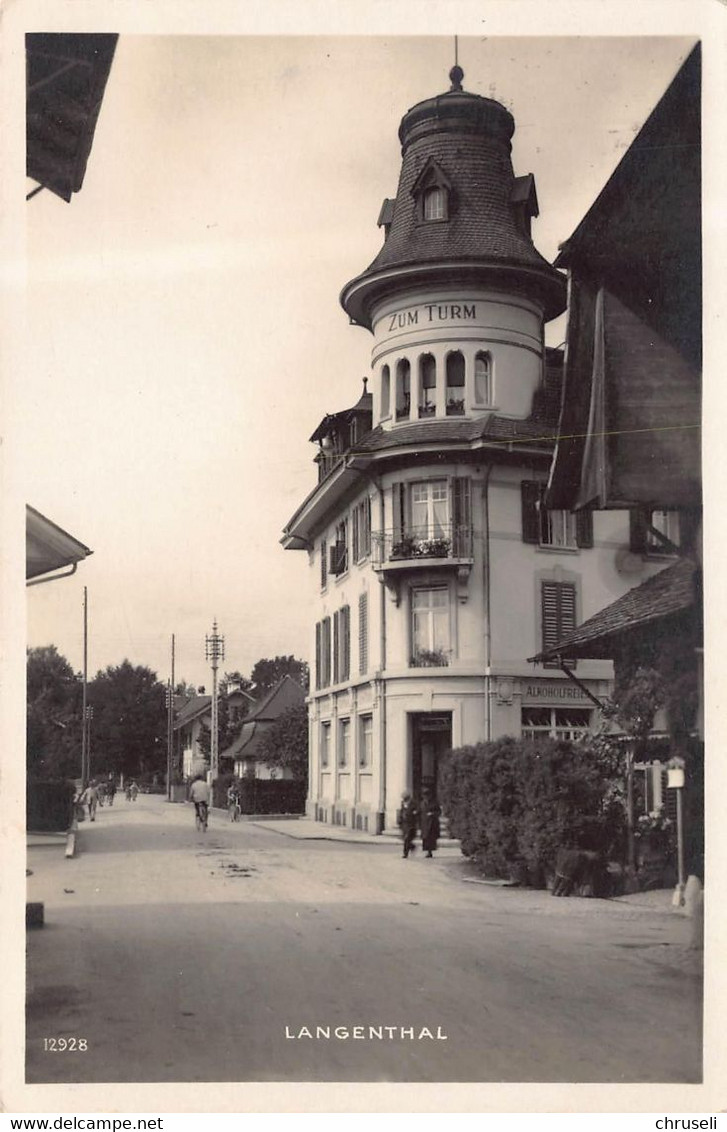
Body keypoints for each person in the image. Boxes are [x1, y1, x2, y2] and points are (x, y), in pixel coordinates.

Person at [397, 792, 419, 859]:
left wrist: (415, 813)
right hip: (404, 824)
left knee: (407, 839)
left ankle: (405, 853)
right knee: (405, 839)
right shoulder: (403, 803)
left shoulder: (414, 803)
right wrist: (399, 820)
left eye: (405, 798)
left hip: (411, 824)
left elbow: (417, 811)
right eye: (403, 798)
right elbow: (401, 812)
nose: (404, 800)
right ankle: (412, 847)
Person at [420, 790, 441, 858]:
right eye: (424, 796)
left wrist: (432, 813)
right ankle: (427, 851)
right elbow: (420, 812)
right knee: (425, 838)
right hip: (424, 823)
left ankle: (430, 851)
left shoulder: (434, 803)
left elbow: (439, 812)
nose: (425, 797)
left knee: (431, 838)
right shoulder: (422, 803)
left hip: (432, 823)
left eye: (427, 795)